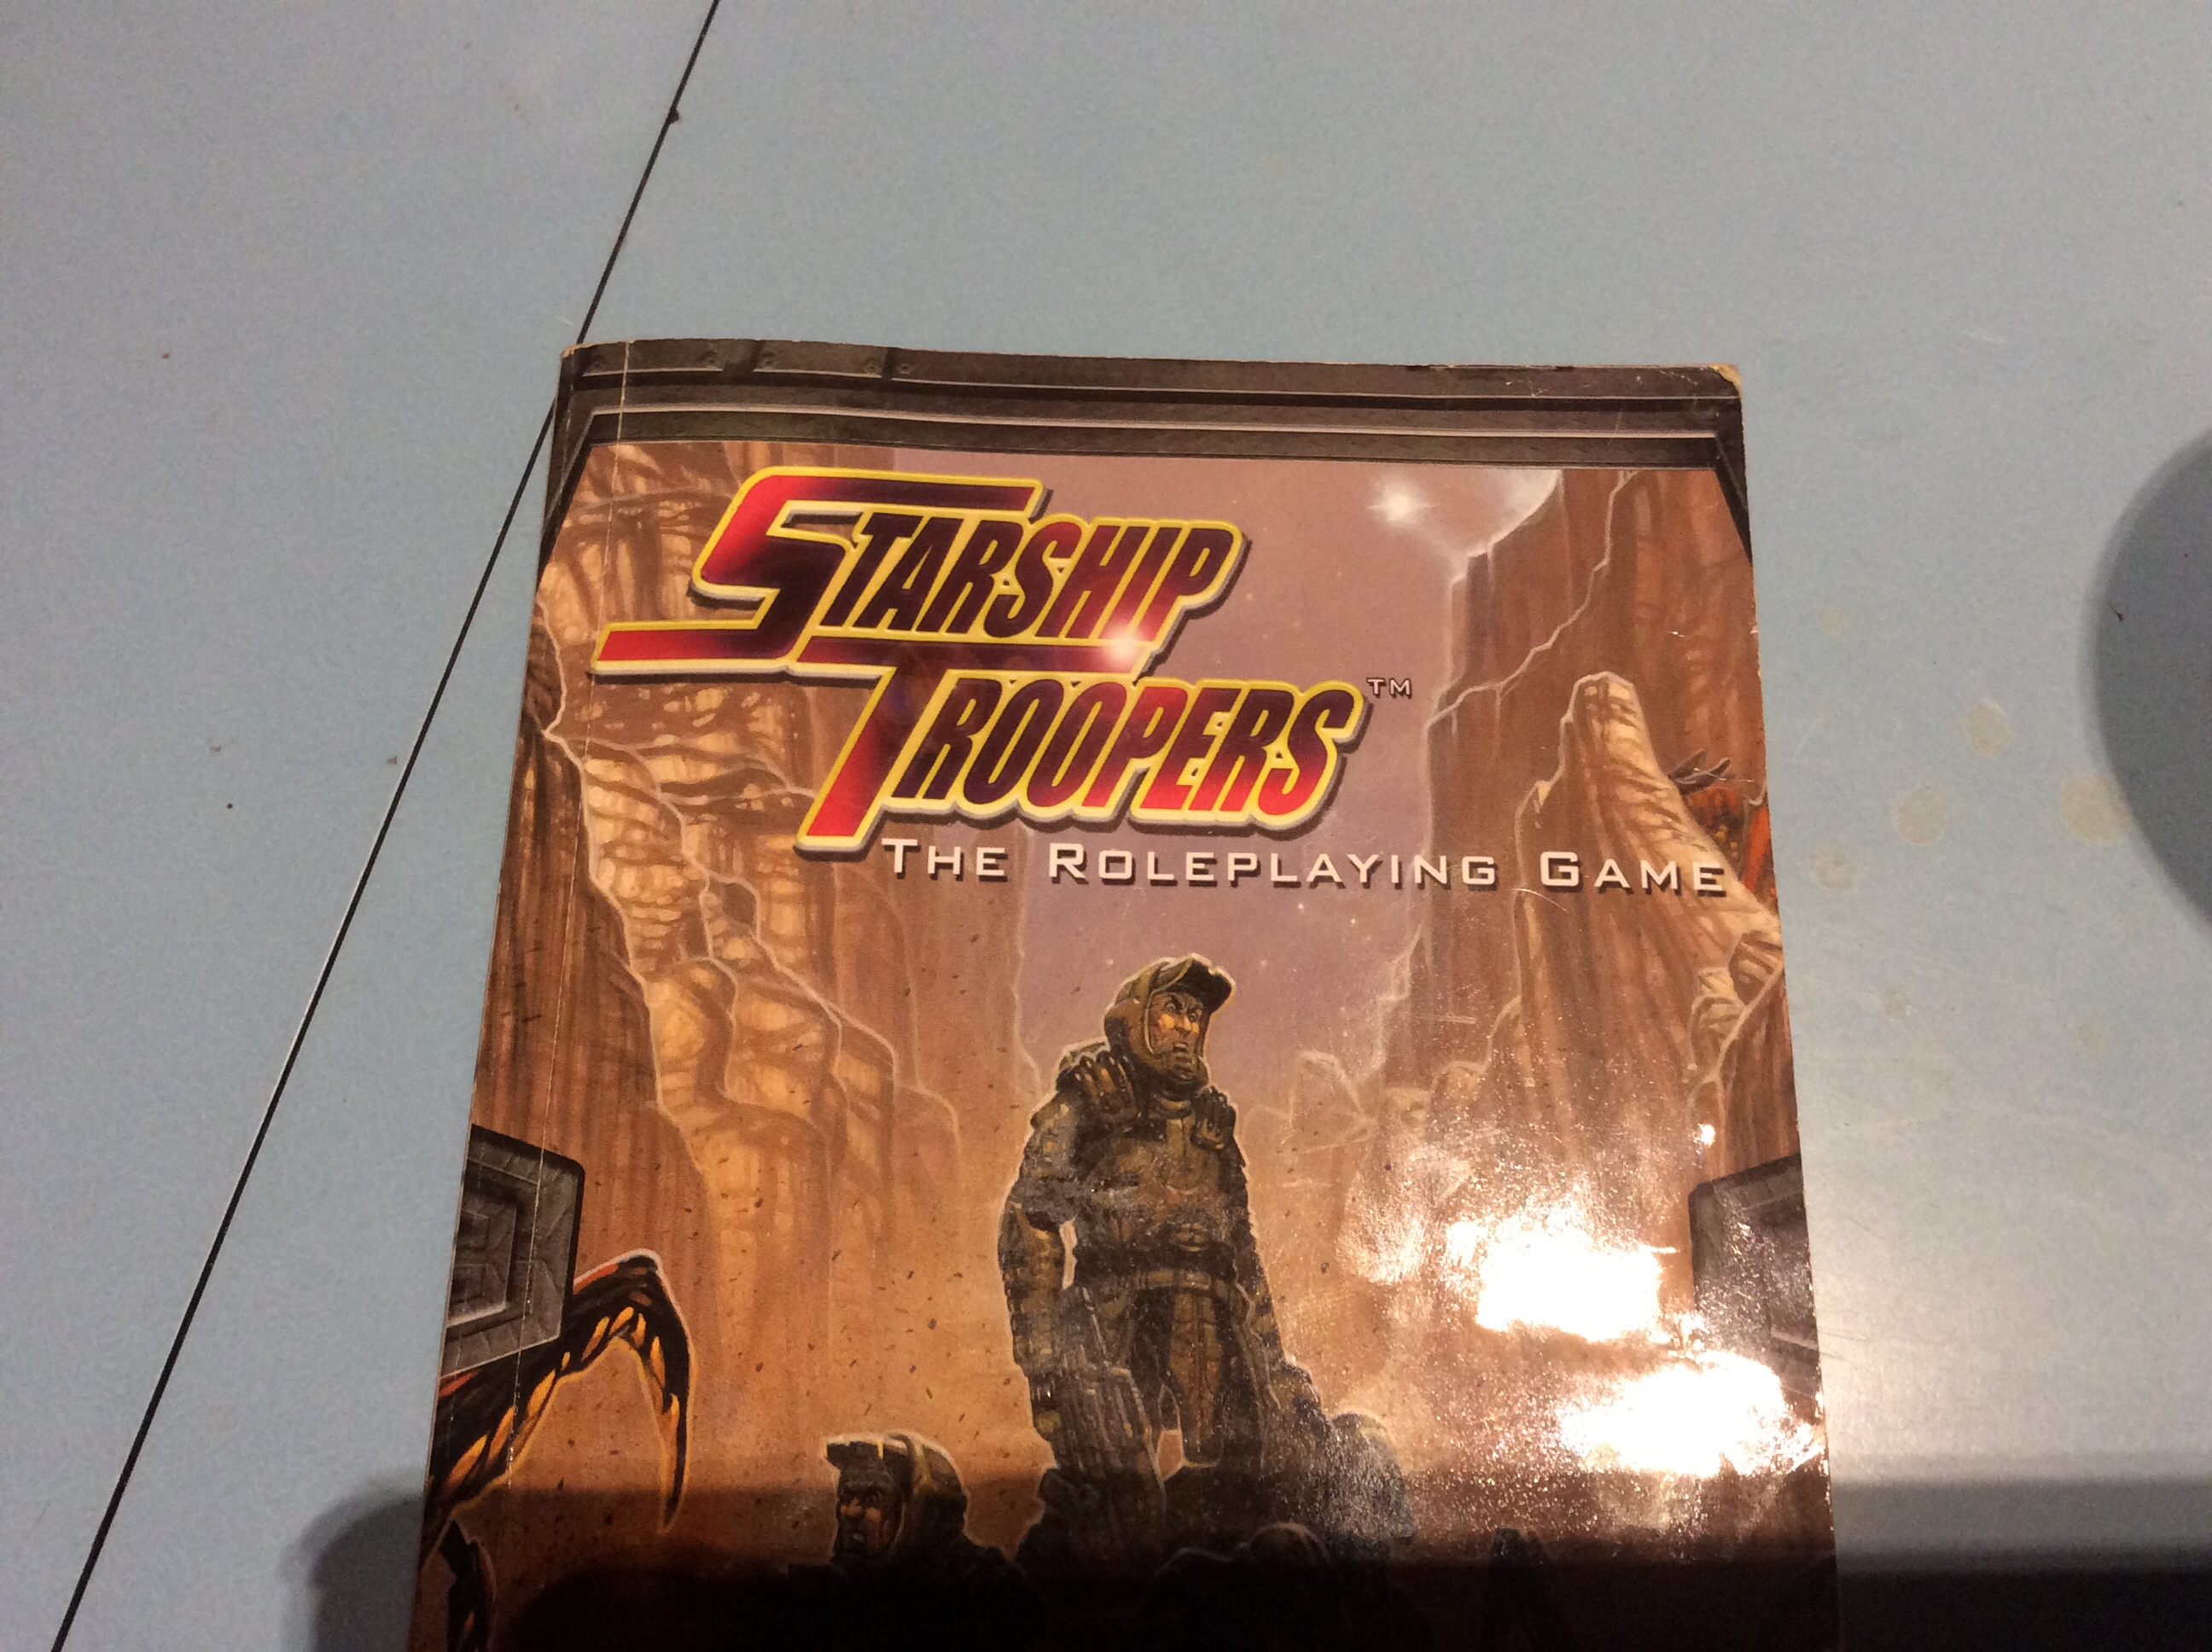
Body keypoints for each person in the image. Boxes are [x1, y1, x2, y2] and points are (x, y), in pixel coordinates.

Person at [998, 957, 1344, 1565]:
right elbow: (1031, 1217)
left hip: (1211, 1325)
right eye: (1172, 1009)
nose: (1186, 1026)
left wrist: (1272, 1366)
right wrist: (1042, 1350)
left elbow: (1240, 1253)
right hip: (1113, 1318)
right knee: (1110, 1499)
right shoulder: (1093, 1097)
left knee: (1233, 1489)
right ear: (1137, 1019)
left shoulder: (1212, 1122)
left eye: (1195, 1015)